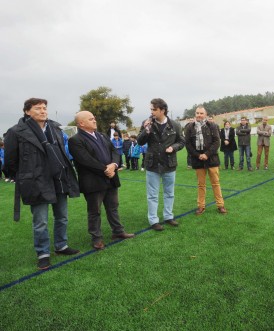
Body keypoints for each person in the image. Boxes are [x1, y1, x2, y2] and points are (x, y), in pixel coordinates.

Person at [4, 98, 80, 270]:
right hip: (36, 180)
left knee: (62, 216)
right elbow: (10, 160)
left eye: (45, 108)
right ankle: (43, 253)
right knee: (41, 221)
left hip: (59, 177)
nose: (43, 111)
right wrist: (26, 175)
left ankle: (61, 245)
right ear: (27, 111)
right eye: (38, 108)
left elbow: (62, 151)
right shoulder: (15, 131)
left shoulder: (55, 127)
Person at [68, 111, 135, 250]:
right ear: (81, 123)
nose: (94, 120)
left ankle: (118, 232)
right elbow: (85, 160)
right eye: (91, 119)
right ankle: (96, 238)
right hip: (93, 181)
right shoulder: (75, 140)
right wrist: (106, 169)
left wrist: (114, 165)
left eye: (94, 118)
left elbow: (115, 152)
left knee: (113, 207)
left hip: (110, 179)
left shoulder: (102, 136)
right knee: (94, 211)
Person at [137, 98, 185, 231]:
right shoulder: (147, 123)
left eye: (154, 109)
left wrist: (173, 148)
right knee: (152, 194)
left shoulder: (175, 125)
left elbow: (181, 142)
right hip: (152, 164)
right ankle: (153, 220)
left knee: (169, 193)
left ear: (162, 110)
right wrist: (146, 129)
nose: (151, 112)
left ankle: (168, 216)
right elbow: (140, 142)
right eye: (151, 109)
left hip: (169, 164)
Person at [185, 106, 226, 215]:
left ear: (205, 115)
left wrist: (206, 154)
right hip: (198, 160)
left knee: (216, 183)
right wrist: (198, 155)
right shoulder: (189, 127)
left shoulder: (212, 125)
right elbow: (188, 144)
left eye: (201, 113)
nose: (199, 115)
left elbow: (217, 142)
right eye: (197, 113)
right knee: (201, 185)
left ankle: (220, 205)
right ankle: (201, 206)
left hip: (212, 159)